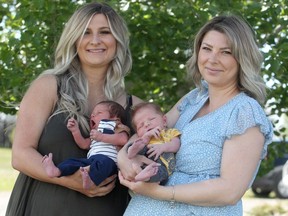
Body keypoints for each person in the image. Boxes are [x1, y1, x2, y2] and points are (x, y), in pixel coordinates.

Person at [118, 14, 273, 216]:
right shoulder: (194, 98)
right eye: (206, 48)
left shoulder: (244, 112)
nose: (212, 59)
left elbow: (229, 191)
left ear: (242, 58)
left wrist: (160, 192)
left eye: (225, 52)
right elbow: (149, 131)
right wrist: (123, 158)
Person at [6, 2, 143, 216]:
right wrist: (70, 181)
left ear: (117, 40)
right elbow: (20, 155)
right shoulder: (49, 86)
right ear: (74, 39)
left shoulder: (135, 106)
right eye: (85, 32)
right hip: (44, 208)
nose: (95, 40)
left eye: (105, 32)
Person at [42, 100, 130, 189]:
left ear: (115, 118)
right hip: (91, 161)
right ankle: (57, 171)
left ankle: (91, 182)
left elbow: (123, 139)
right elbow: (84, 144)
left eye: (99, 113)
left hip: (110, 162)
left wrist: (101, 137)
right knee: (74, 162)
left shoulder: (116, 127)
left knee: (104, 163)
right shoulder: (96, 133)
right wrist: (75, 131)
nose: (92, 115)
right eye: (92, 114)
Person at [127, 102, 181, 184]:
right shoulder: (145, 139)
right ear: (138, 133)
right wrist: (145, 139)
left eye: (151, 119)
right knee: (140, 145)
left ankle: (145, 176)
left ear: (164, 121)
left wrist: (163, 147)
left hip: (162, 167)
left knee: (160, 172)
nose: (146, 124)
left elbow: (176, 144)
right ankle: (132, 150)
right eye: (141, 125)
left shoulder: (169, 132)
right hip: (145, 158)